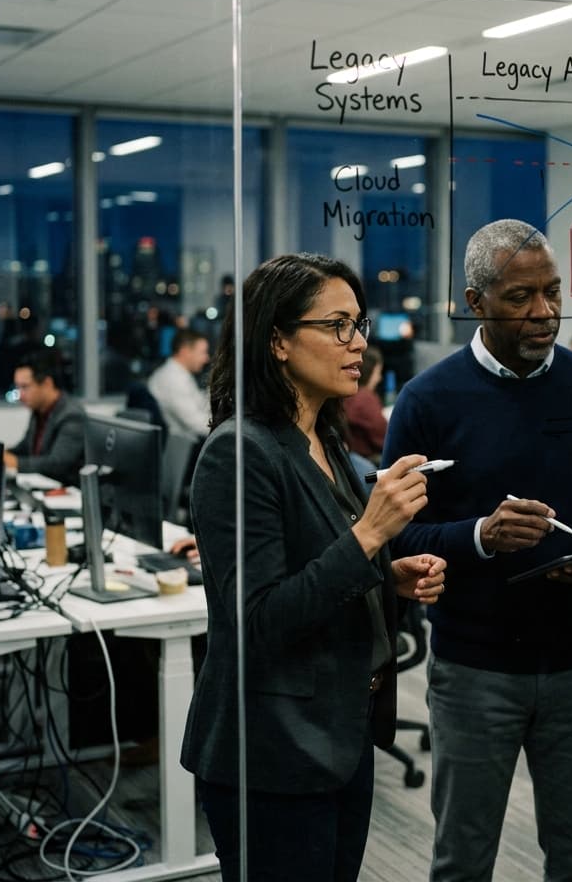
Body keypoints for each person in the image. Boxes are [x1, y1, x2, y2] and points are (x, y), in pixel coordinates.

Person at [383, 219, 572, 882]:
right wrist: (480, 535)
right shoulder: (427, 401)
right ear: (476, 303)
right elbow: (397, 534)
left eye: (553, 292)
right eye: (520, 297)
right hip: (475, 669)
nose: (544, 311)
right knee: (462, 863)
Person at [180, 253, 447, 882]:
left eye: (359, 324)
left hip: (340, 730)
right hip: (273, 749)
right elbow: (258, 619)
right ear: (277, 341)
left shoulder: (324, 438)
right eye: (337, 326)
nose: (358, 343)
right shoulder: (239, 452)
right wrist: (371, 534)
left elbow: (321, 566)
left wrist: (388, 576)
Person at [2, 348, 86, 486]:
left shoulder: (72, 415)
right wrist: (1, 456)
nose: (20, 395)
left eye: (25, 387)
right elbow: (25, 448)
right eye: (18, 387)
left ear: (47, 384)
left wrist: (14, 461)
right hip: (41, 486)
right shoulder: (39, 410)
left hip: (66, 490)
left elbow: (57, 464)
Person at [147, 327, 211, 439]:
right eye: (203, 353)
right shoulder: (173, 379)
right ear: (185, 352)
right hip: (184, 444)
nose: (207, 359)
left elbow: (200, 405)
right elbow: (198, 425)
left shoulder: (179, 374)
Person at [343, 344, 387, 462]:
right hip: (368, 460)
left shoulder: (345, 396)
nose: (379, 378)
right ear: (369, 371)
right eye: (378, 372)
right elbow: (384, 438)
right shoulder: (365, 399)